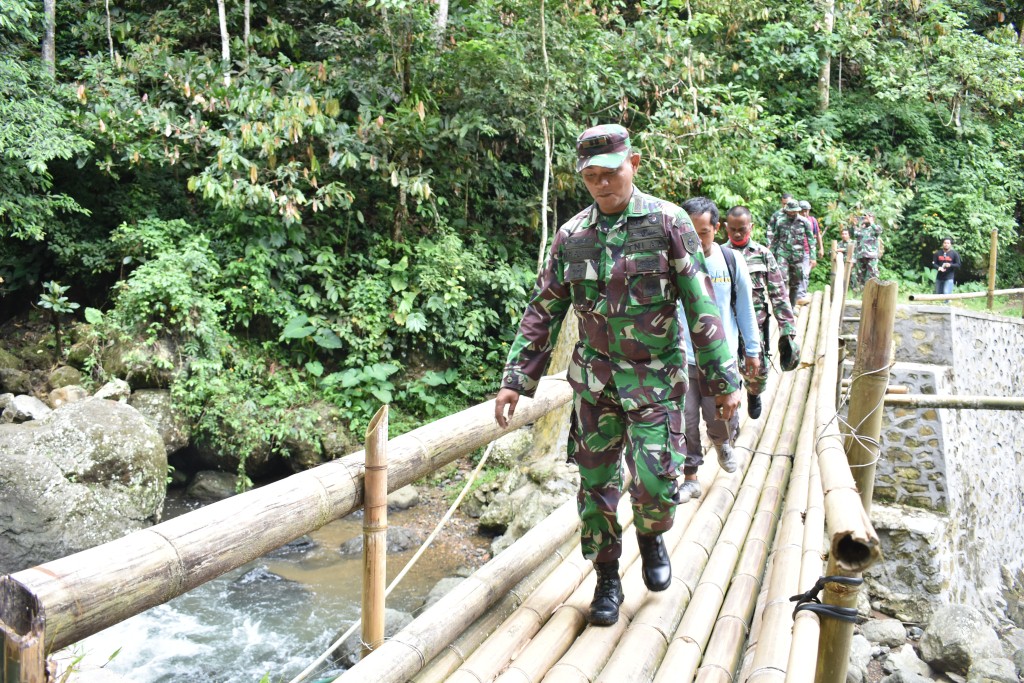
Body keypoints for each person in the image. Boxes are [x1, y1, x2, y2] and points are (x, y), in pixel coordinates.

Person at [494, 124, 741, 627]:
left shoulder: (669, 223)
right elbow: (544, 309)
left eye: (611, 172)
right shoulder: (572, 237)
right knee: (595, 489)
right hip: (596, 387)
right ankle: (607, 579)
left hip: (655, 381)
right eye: (591, 177)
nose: (602, 183)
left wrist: (724, 381)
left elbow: (702, 306)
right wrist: (516, 377)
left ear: (634, 164)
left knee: (654, 481)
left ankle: (651, 534)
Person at [676, 198, 761, 504]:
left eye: (702, 233)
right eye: (688, 234)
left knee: (721, 418)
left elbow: (745, 308)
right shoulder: (672, 263)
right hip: (682, 357)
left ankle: (722, 442)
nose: (694, 242)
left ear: (716, 229)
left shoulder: (730, 260)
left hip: (720, 359)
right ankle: (690, 476)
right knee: (684, 419)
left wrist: (753, 351)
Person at [723, 205, 799, 420]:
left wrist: (788, 330)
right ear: (726, 228)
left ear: (752, 228)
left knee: (757, 371)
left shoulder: (763, 254)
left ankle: (753, 393)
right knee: (726, 368)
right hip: (727, 323)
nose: (738, 234)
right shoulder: (719, 254)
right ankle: (733, 401)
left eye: (743, 229)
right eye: (733, 229)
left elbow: (779, 294)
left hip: (755, 325)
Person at [766, 199, 815, 307]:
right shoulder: (780, 222)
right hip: (783, 253)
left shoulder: (804, 222)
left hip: (797, 256)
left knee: (795, 282)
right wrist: (771, 255)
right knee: (782, 278)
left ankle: (792, 306)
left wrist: (813, 257)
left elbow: (811, 240)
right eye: (790, 211)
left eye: (794, 211)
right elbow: (775, 240)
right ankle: (783, 306)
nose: (792, 213)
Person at [796, 200, 823, 305]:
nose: (805, 213)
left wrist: (821, 248)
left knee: (805, 273)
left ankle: (801, 295)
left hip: (807, 251)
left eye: (806, 211)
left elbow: (817, 234)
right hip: (796, 251)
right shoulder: (794, 221)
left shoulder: (812, 221)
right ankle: (799, 295)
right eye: (802, 211)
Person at [852, 212, 882, 291]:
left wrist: (871, 221)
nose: (865, 218)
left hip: (871, 256)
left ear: (873, 218)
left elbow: (878, 231)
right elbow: (855, 235)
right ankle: (860, 293)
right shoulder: (861, 229)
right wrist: (855, 225)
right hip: (860, 255)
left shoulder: (875, 228)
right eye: (864, 217)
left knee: (872, 275)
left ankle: (873, 292)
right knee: (859, 275)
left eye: (868, 217)